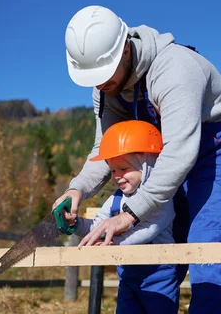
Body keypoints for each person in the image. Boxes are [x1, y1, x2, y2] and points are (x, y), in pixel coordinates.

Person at [53, 4, 221, 314]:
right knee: (158, 253)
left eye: (103, 74)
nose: (99, 84)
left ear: (124, 50)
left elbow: (180, 154)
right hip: (168, 152)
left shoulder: (174, 70)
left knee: (208, 248)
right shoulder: (107, 88)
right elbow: (105, 150)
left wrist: (129, 213)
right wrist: (77, 189)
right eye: (92, 78)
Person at [71, 119, 179, 314]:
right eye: (113, 170)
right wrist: (75, 224)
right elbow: (98, 227)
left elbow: (148, 230)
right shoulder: (116, 199)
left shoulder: (162, 198)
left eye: (124, 169)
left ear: (145, 165)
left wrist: (115, 244)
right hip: (128, 276)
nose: (117, 176)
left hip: (159, 277)